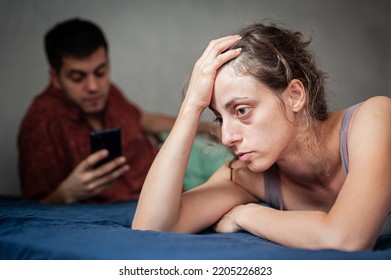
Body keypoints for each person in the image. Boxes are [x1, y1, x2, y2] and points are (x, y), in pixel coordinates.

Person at [132, 22, 391, 251]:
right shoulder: (246, 177)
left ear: (295, 96)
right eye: (220, 118)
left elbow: (347, 238)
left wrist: (246, 215)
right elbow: (150, 228)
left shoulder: (375, 119)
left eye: (242, 110)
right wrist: (191, 107)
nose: (226, 137)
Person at [18, 18, 177, 204]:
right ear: (55, 77)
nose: (93, 87)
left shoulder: (110, 93)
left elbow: (144, 119)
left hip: (166, 188)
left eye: (100, 72)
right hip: (121, 209)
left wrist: (204, 128)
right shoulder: (42, 120)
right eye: (78, 78)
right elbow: (31, 208)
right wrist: (65, 194)